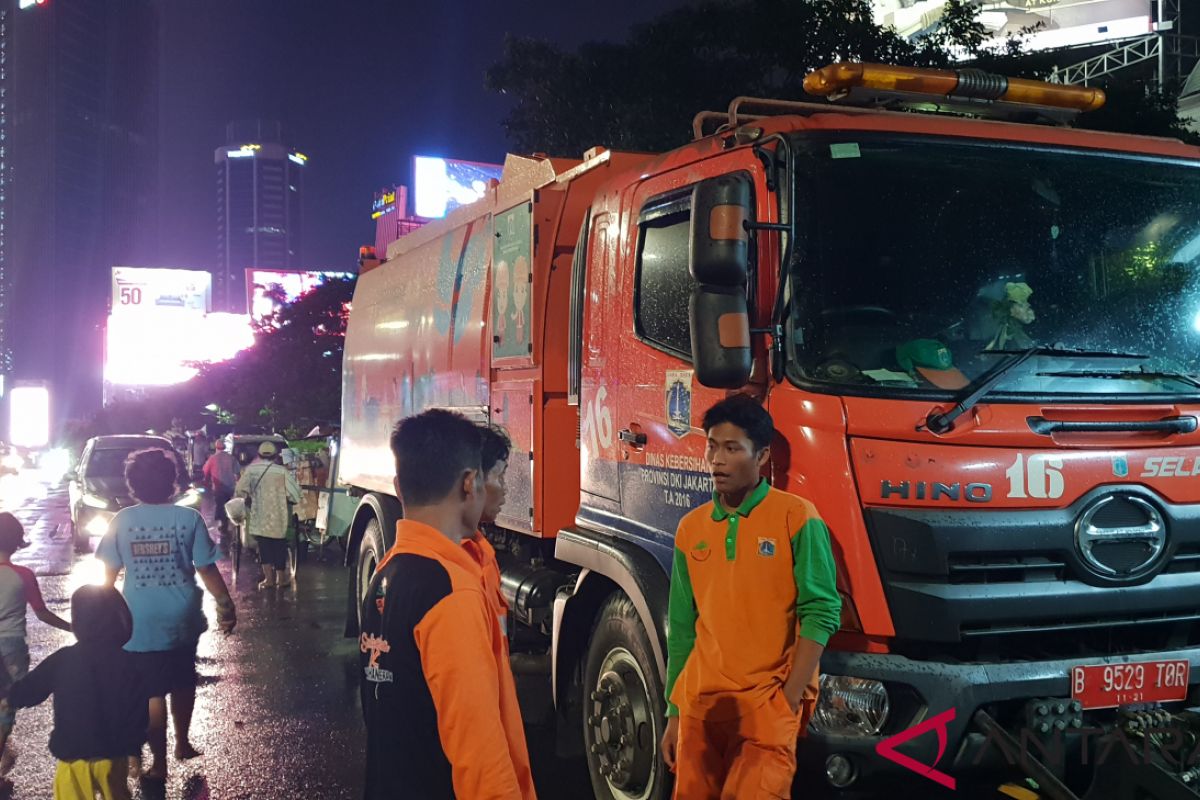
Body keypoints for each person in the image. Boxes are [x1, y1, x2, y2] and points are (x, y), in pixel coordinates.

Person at [661, 395, 841, 799]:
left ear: (761, 456)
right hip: (700, 710)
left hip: (767, 708)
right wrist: (675, 713)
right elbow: (683, 630)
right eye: (711, 445)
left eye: (731, 448)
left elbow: (822, 611)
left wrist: (789, 700)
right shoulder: (691, 529)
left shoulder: (797, 517)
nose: (717, 460)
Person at [359, 410, 535, 800]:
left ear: (399, 488)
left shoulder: (386, 574)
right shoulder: (452, 592)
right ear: (469, 483)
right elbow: (479, 755)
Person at [97, 448, 237, 782]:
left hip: (137, 618)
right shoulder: (188, 519)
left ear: (133, 484)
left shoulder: (122, 521)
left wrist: (104, 617)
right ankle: (183, 743)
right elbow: (207, 568)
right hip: (181, 615)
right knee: (183, 679)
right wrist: (225, 607)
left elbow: (107, 578)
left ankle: (158, 764)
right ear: (171, 482)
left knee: (152, 692)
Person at [5, 585, 150, 800]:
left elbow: (32, 687)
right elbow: (137, 712)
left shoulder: (63, 659)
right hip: (112, 753)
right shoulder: (129, 663)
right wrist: (133, 749)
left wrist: (10, 698)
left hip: (73, 754)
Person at [0, 512, 72, 778]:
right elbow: (42, 612)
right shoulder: (23, 575)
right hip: (13, 646)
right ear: (17, 541)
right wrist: (72, 627)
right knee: (8, 701)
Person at [462, 424, 511, 641]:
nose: (504, 488)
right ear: (472, 482)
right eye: (499, 477)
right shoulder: (452, 573)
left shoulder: (482, 556)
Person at [234, 441, 301, 589]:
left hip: (259, 515)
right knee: (279, 546)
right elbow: (295, 494)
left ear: (258, 454)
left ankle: (268, 580)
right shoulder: (281, 471)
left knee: (264, 546)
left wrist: (247, 497)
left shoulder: (250, 471)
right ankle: (281, 579)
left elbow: (239, 491)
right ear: (275, 456)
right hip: (279, 516)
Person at [202, 439, 240, 538]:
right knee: (228, 504)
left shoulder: (212, 458)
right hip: (230, 486)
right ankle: (227, 523)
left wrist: (206, 482)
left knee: (220, 505)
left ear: (216, 447)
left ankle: (224, 525)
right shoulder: (231, 458)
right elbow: (237, 472)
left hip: (218, 487)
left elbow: (206, 471)